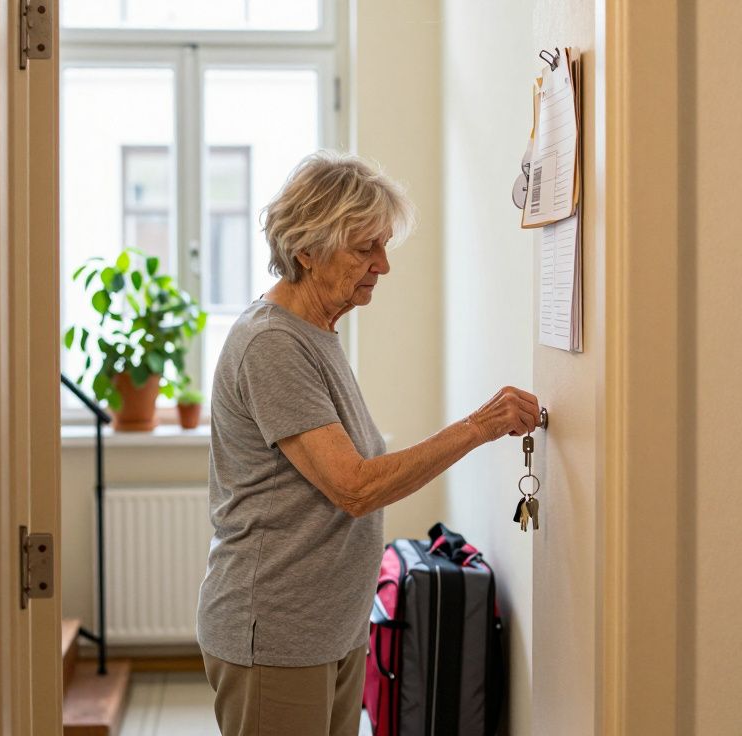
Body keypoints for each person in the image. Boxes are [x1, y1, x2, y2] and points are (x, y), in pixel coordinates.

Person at [197, 151, 540, 735]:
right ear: (307, 249)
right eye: (365, 248)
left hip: (330, 625)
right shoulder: (272, 346)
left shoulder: (317, 333)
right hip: (277, 630)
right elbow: (354, 487)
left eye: (383, 245)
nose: (383, 264)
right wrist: (479, 427)